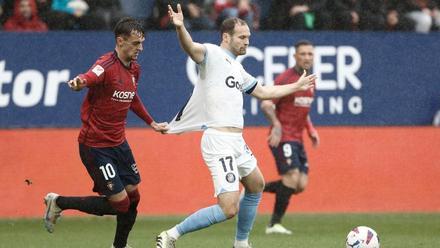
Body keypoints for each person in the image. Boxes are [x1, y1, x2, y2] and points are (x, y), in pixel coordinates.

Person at [155, 4, 316, 248]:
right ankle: (171, 235)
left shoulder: (237, 68)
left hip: (236, 140)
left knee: (256, 184)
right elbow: (190, 47)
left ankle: (241, 243)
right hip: (218, 140)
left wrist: (296, 86)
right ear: (226, 37)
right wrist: (180, 28)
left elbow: (263, 92)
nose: (246, 42)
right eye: (242, 37)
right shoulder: (211, 54)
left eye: (248, 38)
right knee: (229, 207)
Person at [43, 17, 169, 248]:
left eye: (142, 43)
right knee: (120, 204)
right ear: (120, 41)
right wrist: (79, 82)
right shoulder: (106, 65)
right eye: (135, 43)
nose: (140, 48)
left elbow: (132, 98)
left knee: (134, 198)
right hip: (95, 146)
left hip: (119, 143)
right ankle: (59, 202)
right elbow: (90, 76)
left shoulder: (134, 69)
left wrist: (151, 122)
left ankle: (119, 246)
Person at [260, 40, 319, 235]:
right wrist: (276, 125)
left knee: (300, 185)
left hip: (298, 138)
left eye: (310, 54)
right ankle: (274, 224)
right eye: (303, 54)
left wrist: (311, 131)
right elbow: (266, 104)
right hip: (282, 136)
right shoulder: (286, 78)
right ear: (295, 56)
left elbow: (304, 109)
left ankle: (254, 189)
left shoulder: (311, 80)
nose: (307, 57)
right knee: (291, 177)